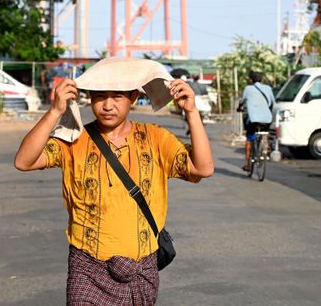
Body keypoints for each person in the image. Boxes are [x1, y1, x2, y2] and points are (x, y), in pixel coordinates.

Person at [14, 57, 214, 305]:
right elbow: (24, 161)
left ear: (132, 97)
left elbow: (202, 168)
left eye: (117, 96)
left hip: (141, 269)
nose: (107, 105)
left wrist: (191, 112)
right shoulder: (74, 140)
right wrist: (55, 110)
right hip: (87, 267)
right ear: (89, 98)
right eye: (99, 96)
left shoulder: (156, 139)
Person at [238, 71, 275, 172]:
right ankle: (265, 147)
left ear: (251, 80)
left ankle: (247, 165)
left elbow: (242, 101)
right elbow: (272, 102)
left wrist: (239, 107)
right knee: (264, 133)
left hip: (254, 120)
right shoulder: (268, 88)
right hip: (267, 119)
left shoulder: (248, 89)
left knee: (249, 139)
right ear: (262, 79)